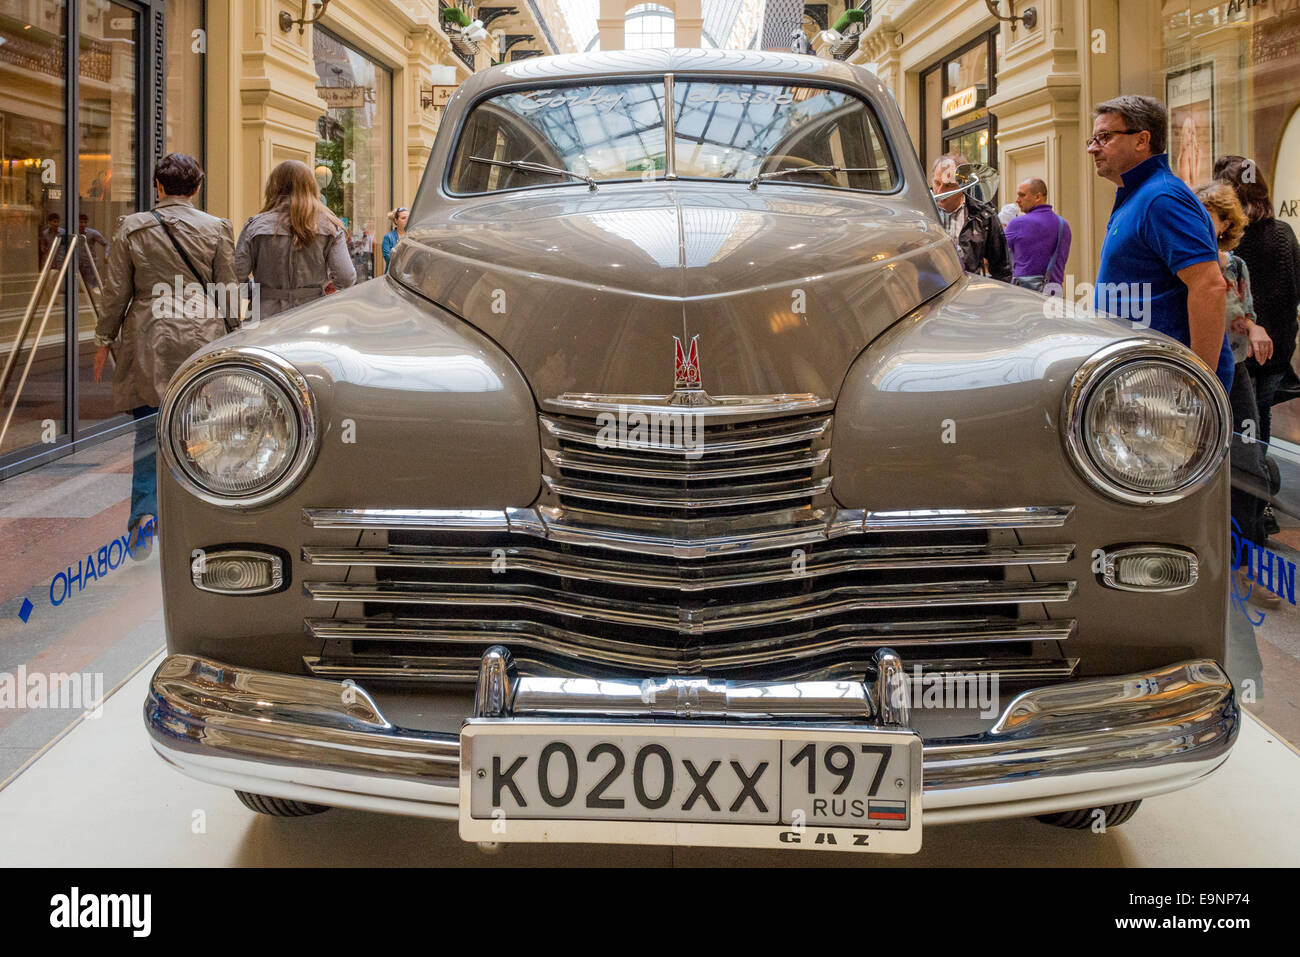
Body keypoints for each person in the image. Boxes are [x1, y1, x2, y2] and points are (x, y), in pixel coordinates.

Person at [92, 153, 237, 557]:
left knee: (147, 431)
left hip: (147, 336)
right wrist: (235, 337)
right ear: (196, 187)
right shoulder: (217, 228)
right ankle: (199, 516)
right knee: (202, 429)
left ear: (158, 186)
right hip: (201, 337)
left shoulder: (131, 228)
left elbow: (115, 290)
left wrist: (104, 340)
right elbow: (228, 290)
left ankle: (144, 516)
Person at [1088, 95, 1232, 391]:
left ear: (1142, 140)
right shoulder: (1141, 195)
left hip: (1169, 387)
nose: (1092, 147)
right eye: (1092, 139)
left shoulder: (1161, 198)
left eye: (1104, 137)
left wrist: (1199, 382)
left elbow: (1209, 285)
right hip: (1145, 378)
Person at [1194, 182, 1277, 606]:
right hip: (1198, 372)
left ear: (1226, 222)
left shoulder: (1236, 267)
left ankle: (1253, 565)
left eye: (1209, 212)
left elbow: (1245, 316)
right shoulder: (1188, 264)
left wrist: (1256, 327)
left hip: (1236, 370)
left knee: (1249, 462)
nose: (1200, 219)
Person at [1215, 156, 1300, 537]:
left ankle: (1240, 507)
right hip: (1277, 350)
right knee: (1257, 424)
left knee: (1234, 427)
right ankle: (1259, 506)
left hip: (1238, 350)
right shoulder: (1282, 233)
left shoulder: (1227, 241)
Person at [234, 160, 356, 319]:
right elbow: (346, 278)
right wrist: (325, 288)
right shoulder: (330, 226)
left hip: (263, 314)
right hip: (311, 316)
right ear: (312, 186)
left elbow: (235, 277)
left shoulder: (255, 226)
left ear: (274, 186)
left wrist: (258, 292)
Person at [930, 154, 1012, 282]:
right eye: (936, 183)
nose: (940, 191)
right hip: (927, 292)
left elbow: (1001, 269)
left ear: (964, 185)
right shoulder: (920, 211)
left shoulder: (983, 215)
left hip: (968, 291)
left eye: (948, 185)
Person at [1004, 178, 1071, 293]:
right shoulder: (1063, 225)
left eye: (1022, 195)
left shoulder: (1017, 224)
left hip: (1024, 294)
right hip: (1053, 294)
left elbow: (993, 257)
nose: (1017, 200)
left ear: (1037, 197)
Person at [78, 213, 109, 293]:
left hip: (89, 263)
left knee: (92, 286)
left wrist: (106, 255)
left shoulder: (92, 233)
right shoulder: (73, 233)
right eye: (81, 222)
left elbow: (106, 243)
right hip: (76, 263)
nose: (83, 224)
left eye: (85, 222)